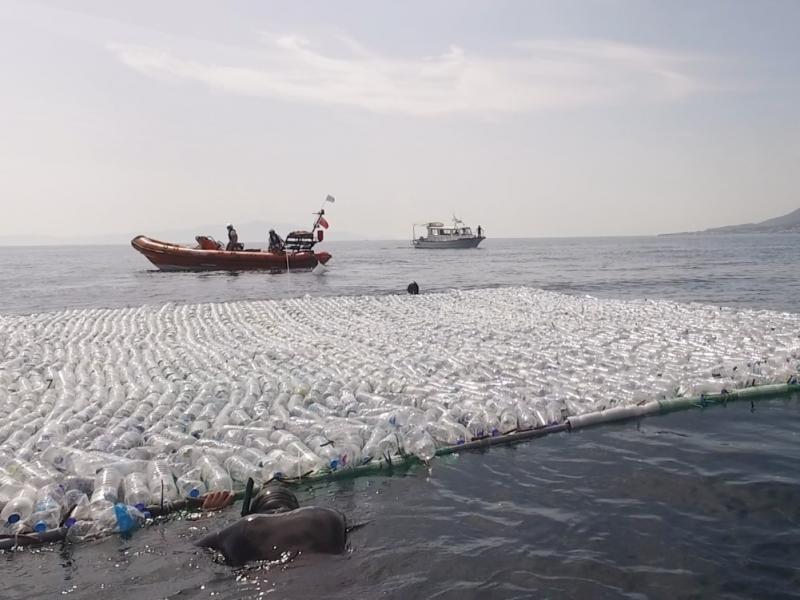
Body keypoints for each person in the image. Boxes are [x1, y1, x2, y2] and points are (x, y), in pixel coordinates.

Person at [195, 485, 349, 566]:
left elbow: (193, 548)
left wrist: (209, 515)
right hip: (328, 573)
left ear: (252, 512)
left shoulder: (242, 527)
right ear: (295, 508)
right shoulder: (325, 516)